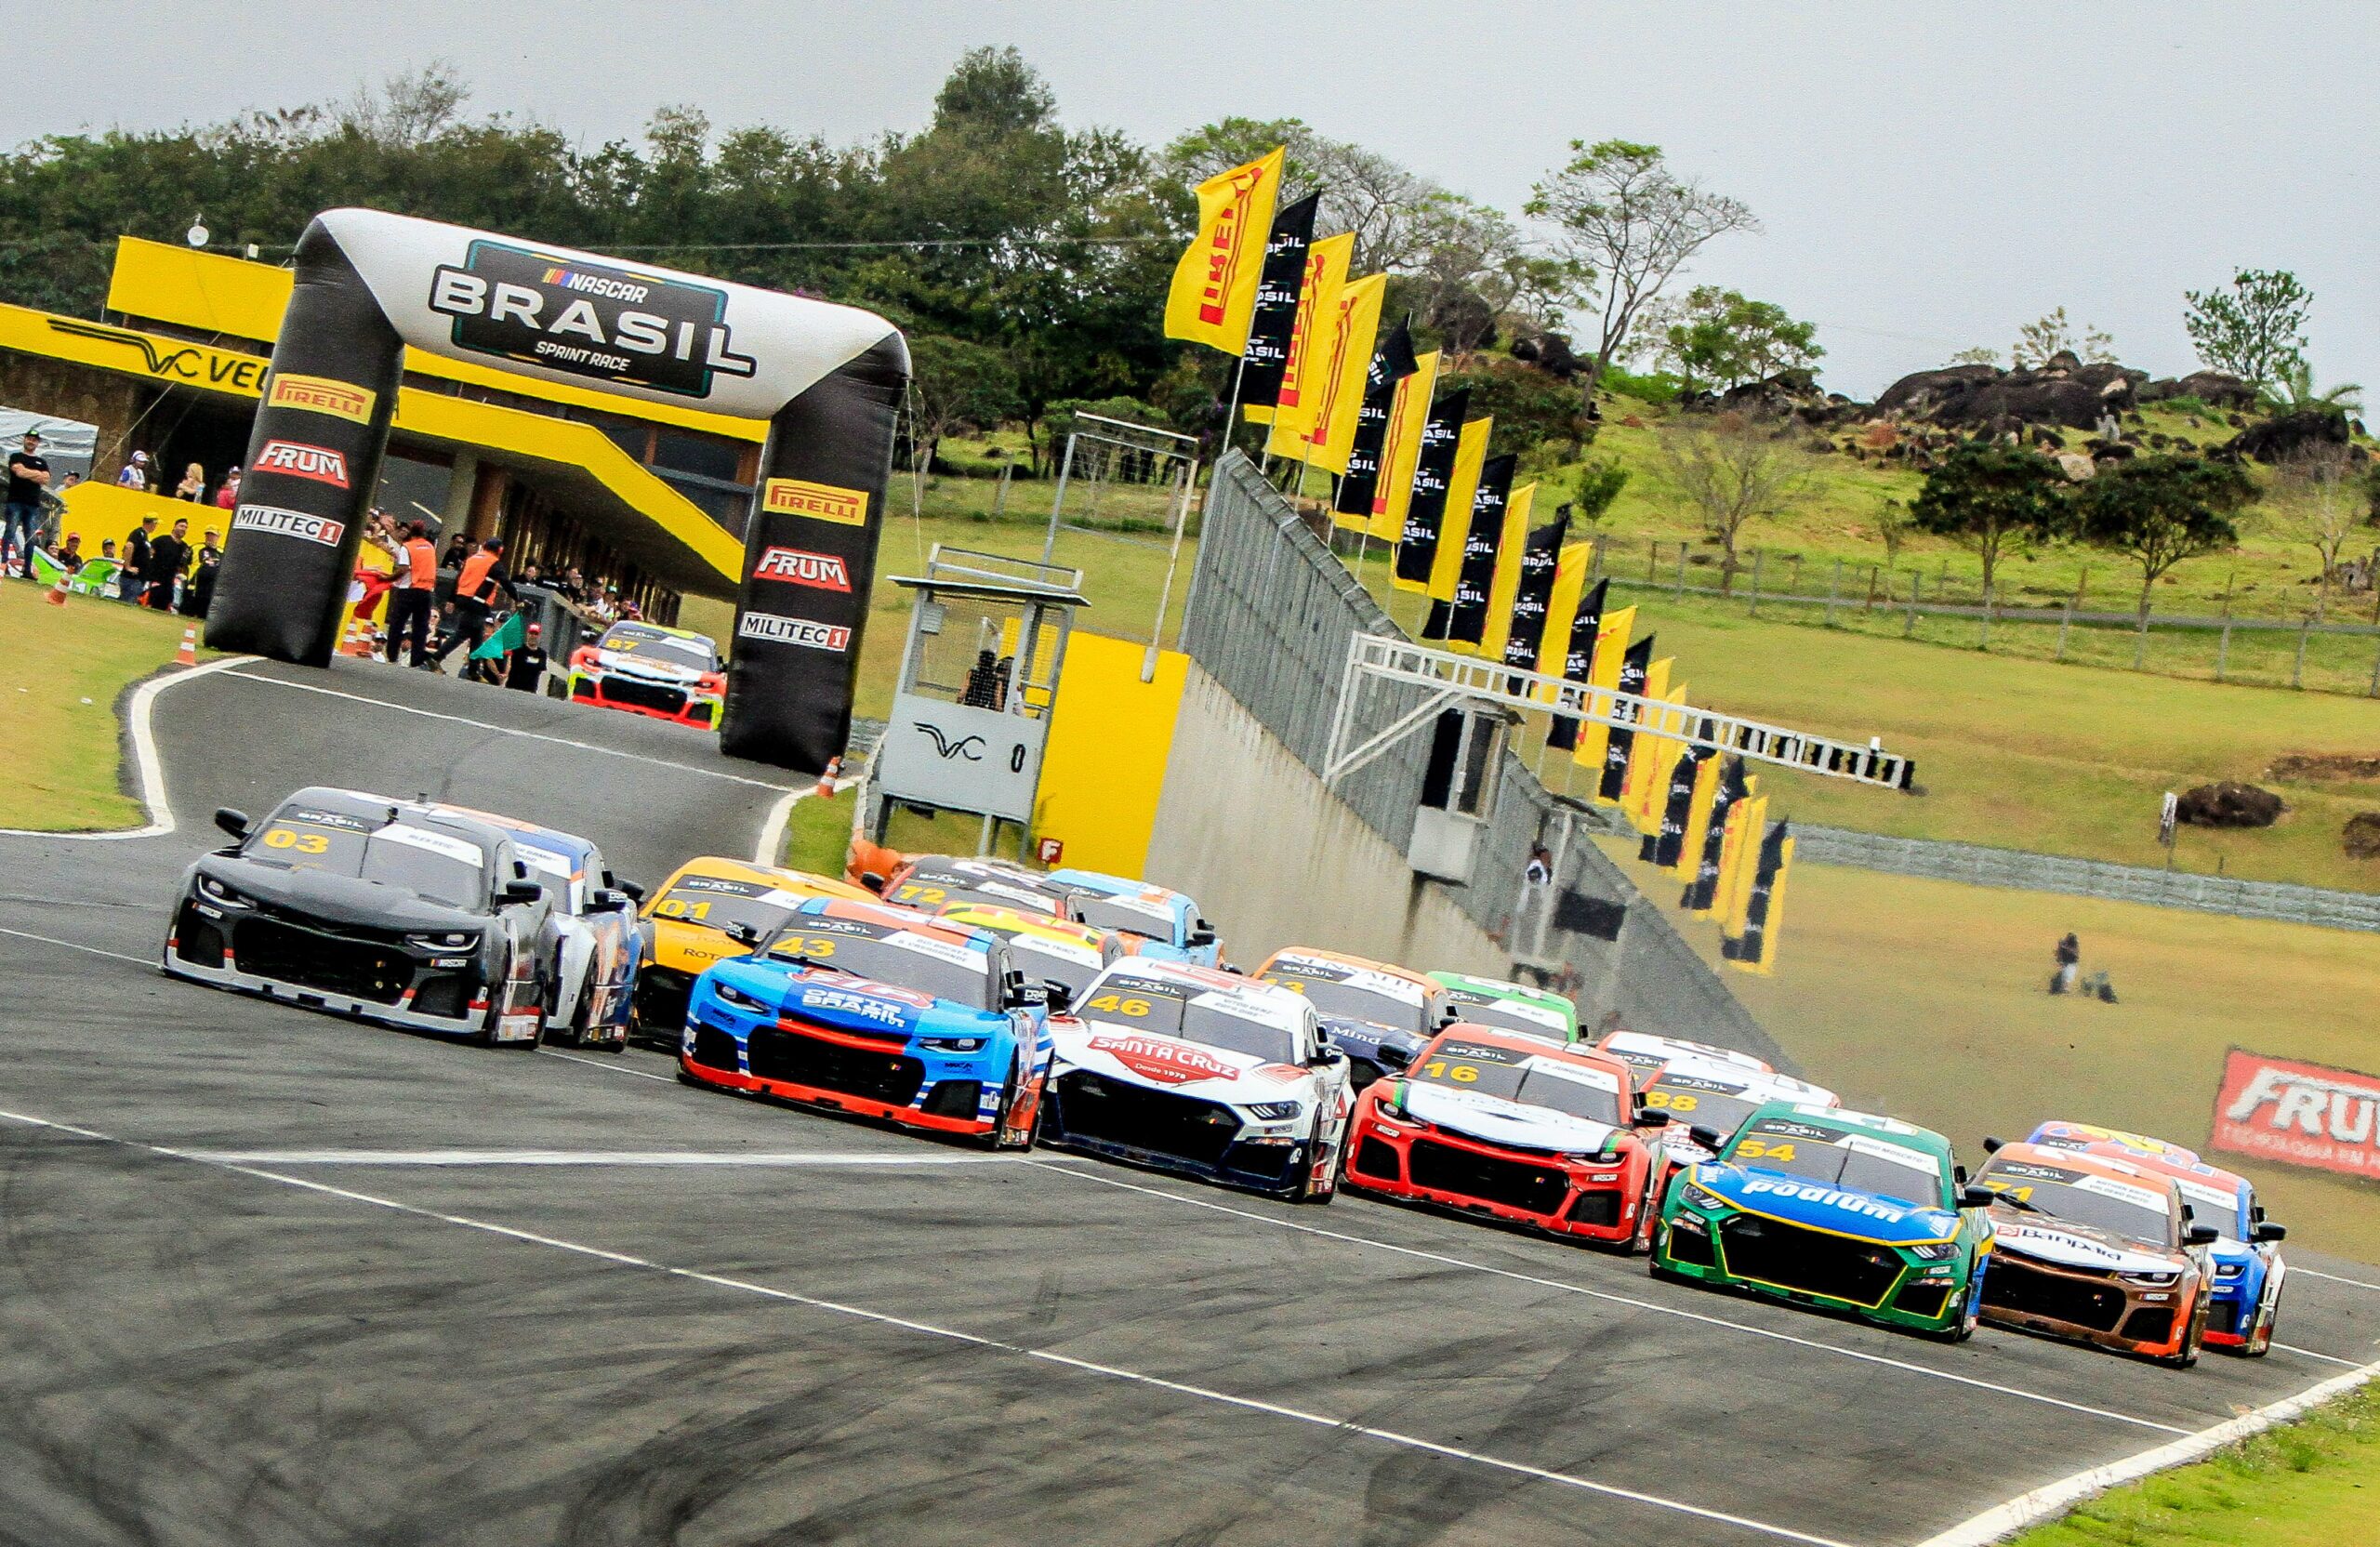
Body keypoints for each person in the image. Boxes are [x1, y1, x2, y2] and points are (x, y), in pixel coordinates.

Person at [429, 536, 515, 669]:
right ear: (500, 550)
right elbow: (506, 583)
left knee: (477, 634)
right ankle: (437, 657)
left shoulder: (472, 559)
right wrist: (517, 598)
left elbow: (458, 579)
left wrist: (451, 600)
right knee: (462, 633)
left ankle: (473, 670)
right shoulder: (494, 563)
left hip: (462, 598)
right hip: (478, 602)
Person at [383, 520, 439, 666]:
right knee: (420, 627)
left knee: (397, 623)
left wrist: (387, 578)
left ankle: (392, 655)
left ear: (410, 532)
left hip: (408, 589)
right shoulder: (430, 547)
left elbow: (403, 569)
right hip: (426, 591)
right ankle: (416, 660)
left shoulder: (407, 547)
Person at [5, 430, 49, 577]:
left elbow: (45, 479)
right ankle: (3, 563)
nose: (31, 441)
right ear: (24, 440)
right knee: (10, 533)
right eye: (29, 439)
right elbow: (19, 472)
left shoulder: (42, 462)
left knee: (31, 538)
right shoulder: (16, 456)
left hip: (32, 504)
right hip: (15, 501)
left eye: (34, 440)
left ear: (38, 443)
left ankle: (27, 569)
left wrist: (27, 472)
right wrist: (36, 474)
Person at [146, 517, 191, 610]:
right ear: (174, 527)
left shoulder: (185, 547)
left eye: (186, 527)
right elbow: (148, 554)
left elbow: (182, 566)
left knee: (164, 607)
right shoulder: (161, 540)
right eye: (181, 526)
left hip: (169, 583)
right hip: (155, 579)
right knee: (149, 605)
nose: (183, 529)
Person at [184, 529, 221, 617]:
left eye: (212, 535)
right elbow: (183, 564)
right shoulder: (196, 547)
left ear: (218, 537)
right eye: (207, 534)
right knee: (187, 613)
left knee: (204, 615)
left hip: (211, 590)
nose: (210, 537)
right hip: (194, 586)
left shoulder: (222, 551)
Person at [505, 621, 549, 694]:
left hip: (530, 691)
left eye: (536, 634)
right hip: (512, 689)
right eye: (531, 633)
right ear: (527, 634)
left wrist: (528, 663)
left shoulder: (542, 654)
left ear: (539, 636)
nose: (533, 636)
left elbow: (540, 668)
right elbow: (517, 665)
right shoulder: (518, 649)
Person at [121, 516, 156, 602]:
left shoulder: (144, 536)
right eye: (155, 524)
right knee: (128, 602)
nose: (155, 527)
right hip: (132, 578)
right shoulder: (138, 533)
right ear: (151, 524)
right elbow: (129, 546)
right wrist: (128, 567)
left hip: (139, 578)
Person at [2052, 932, 2080, 996]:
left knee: (2068, 975)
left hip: (2072, 963)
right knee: (2064, 975)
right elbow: (2059, 954)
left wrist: (2064, 948)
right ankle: (2062, 987)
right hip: (2065, 962)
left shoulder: (2074, 945)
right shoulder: (2063, 944)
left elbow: (2075, 954)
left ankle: (2065, 987)